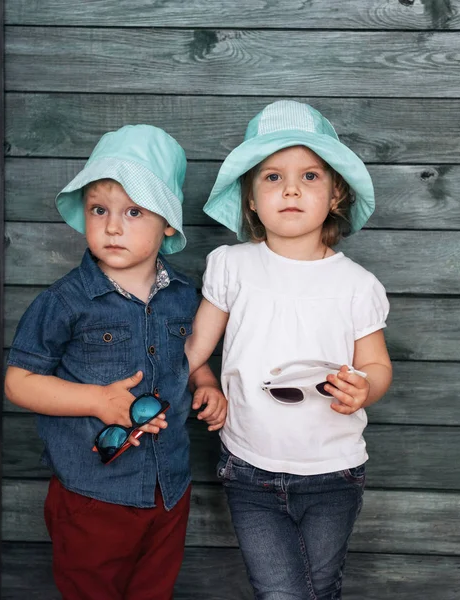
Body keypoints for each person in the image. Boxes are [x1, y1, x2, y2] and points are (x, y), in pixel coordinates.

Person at [4, 124, 227, 599]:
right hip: (92, 493)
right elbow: (19, 383)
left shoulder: (185, 296)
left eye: (133, 211)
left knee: (153, 590)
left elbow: (186, 357)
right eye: (99, 209)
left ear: (167, 222)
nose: (112, 226)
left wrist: (205, 382)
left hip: (167, 488)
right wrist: (97, 400)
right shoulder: (67, 301)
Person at [185, 100, 393, 599]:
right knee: (280, 592)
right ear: (251, 199)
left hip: (334, 472)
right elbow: (194, 349)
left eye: (310, 177)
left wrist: (363, 390)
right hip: (249, 467)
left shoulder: (357, 285)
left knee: (320, 589)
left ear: (336, 194)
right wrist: (204, 382)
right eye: (273, 177)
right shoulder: (231, 265)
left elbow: (377, 365)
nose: (292, 189)